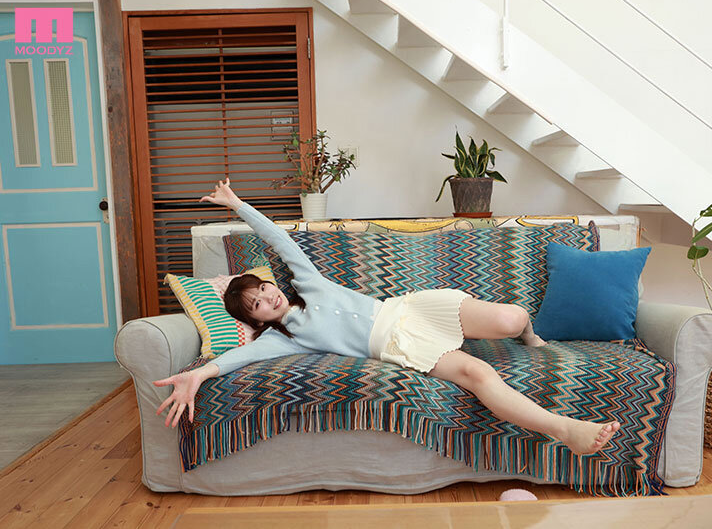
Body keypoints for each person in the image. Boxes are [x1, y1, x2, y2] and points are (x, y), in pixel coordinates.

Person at [154, 179, 620, 455]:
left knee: (511, 320)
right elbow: (236, 359)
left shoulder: (308, 283)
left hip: (411, 308)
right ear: (255, 321)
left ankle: (530, 335)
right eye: (255, 304)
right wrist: (198, 375)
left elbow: (280, 240)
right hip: (396, 344)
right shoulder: (285, 340)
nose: (266, 297)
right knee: (479, 373)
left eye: (263, 289)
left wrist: (238, 205)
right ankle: (565, 430)